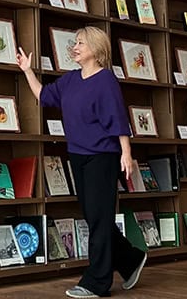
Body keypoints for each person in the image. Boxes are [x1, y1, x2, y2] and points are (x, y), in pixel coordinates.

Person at [16, 26, 146, 297]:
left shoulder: (106, 80)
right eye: (74, 43)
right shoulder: (70, 80)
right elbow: (43, 95)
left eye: (81, 43)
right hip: (77, 155)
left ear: (96, 49)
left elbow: (118, 118)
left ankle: (96, 283)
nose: (74, 47)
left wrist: (126, 153)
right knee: (95, 217)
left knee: (99, 218)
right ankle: (131, 260)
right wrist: (27, 71)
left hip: (103, 157)